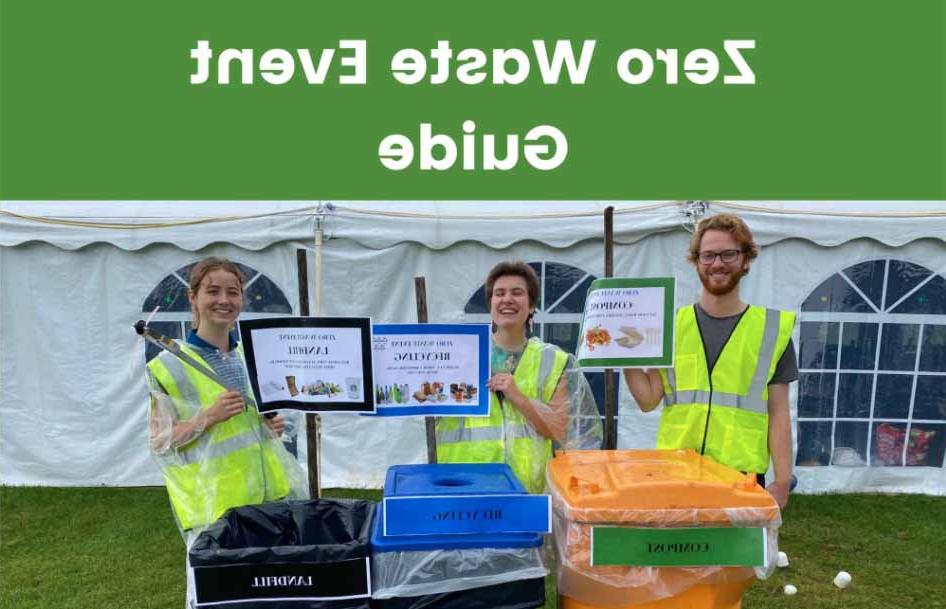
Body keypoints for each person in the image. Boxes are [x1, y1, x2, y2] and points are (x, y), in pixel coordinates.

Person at [145, 257, 303, 607]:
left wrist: (268, 428)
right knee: (217, 598)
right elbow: (159, 442)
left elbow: (251, 427)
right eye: (212, 291)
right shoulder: (169, 366)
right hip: (212, 510)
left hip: (268, 501)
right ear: (193, 298)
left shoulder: (253, 356)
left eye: (233, 292)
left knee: (267, 596)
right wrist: (206, 417)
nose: (224, 300)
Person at [623, 214, 798, 508]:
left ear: (746, 260)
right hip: (677, 473)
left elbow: (778, 414)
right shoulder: (670, 326)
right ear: (696, 261)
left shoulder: (771, 330)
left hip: (741, 477)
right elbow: (648, 399)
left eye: (729, 254)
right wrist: (623, 355)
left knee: (733, 556)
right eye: (708, 255)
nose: (717, 263)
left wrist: (782, 481)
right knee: (679, 554)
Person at [436, 261, 601, 493]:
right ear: (490, 304)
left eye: (517, 293)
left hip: (524, 489)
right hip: (462, 484)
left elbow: (559, 430)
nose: (507, 300)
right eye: (499, 293)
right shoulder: (459, 353)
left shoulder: (554, 361)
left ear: (532, 305)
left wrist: (518, 397)